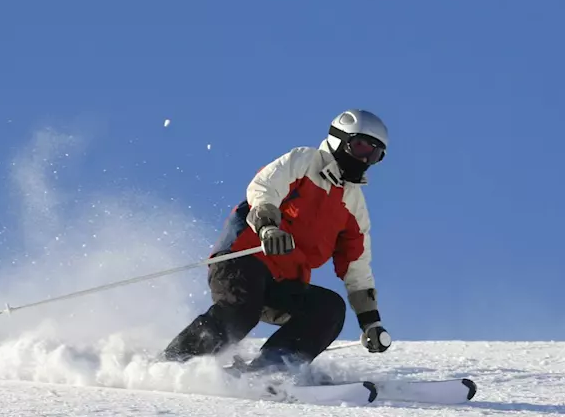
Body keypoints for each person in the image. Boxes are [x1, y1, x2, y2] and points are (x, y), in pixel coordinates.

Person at [161, 108, 393, 371]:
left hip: (283, 281)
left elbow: (357, 266)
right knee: (241, 312)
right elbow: (264, 187)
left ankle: (270, 371)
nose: (365, 158)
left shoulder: (354, 206)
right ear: (339, 140)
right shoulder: (305, 161)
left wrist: (370, 322)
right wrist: (268, 228)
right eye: (360, 147)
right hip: (245, 257)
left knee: (328, 309)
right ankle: (173, 364)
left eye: (375, 154)